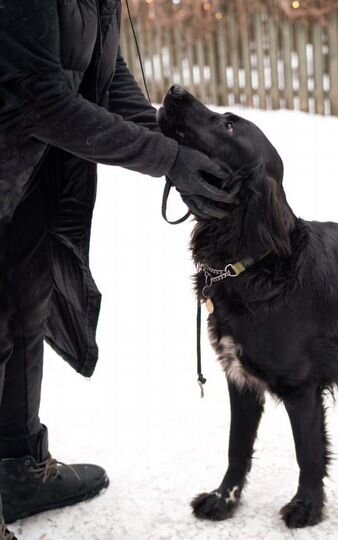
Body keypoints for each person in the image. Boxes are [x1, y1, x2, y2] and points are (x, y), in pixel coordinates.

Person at [0, 1, 230, 537]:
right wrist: (165, 159)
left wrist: (173, 144)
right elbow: (42, 100)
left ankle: (16, 469)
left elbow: (101, 75)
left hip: (24, 176)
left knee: (24, 308)